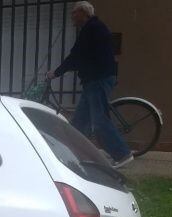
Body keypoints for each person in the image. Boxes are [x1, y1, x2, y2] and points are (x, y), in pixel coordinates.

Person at [47, 1, 133, 168]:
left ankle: (122, 154)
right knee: (79, 121)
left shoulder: (91, 28)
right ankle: (77, 154)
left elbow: (76, 56)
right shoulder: (93, 28)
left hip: (97, 79)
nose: (72, 16)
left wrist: (55, 73)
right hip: (93, 80)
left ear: (84, 13)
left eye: (74, 13)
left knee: (99, 120)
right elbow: (81, 56)